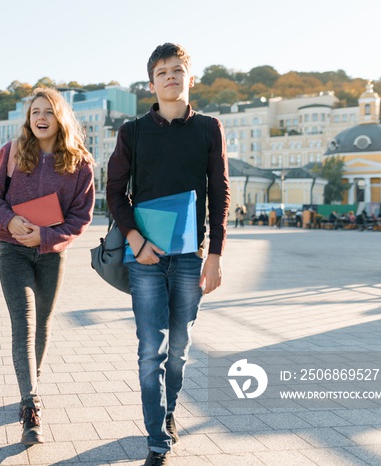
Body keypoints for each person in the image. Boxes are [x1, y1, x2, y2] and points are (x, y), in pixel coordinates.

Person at [106, 43, 230, 466]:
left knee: (178, 351)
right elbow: (114, 192)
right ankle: (157, 440)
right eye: (162, 72)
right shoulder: (133, 131)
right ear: (151, 83)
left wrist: (215, 254)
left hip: (191, 257)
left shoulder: (210, 128)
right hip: (145, 257)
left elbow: (219, 192)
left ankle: (169, 413)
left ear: (189, 77)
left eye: (177, 70)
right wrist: (135, 240)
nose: (170, 77)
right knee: (150, 350)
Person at [0, 87, 95, 446]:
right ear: (28, 120)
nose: (41, 118)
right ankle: (30, 404)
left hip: (51, 255)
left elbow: (80, 218)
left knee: (42, 323)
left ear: (60, 117)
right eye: (35, 113)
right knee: (24, 322)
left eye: (48, 111)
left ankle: (32, 383)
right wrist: (11, 222)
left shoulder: (80, 163)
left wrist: (45, 237)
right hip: (12, 252)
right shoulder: (11, 153)